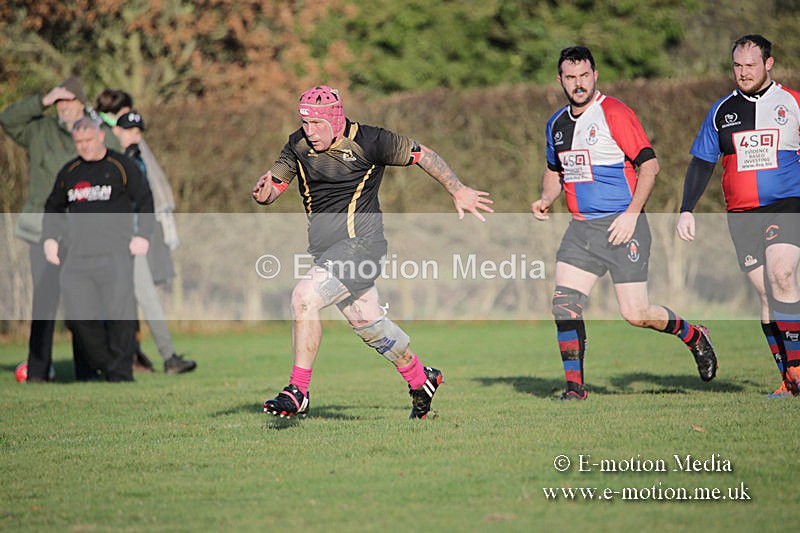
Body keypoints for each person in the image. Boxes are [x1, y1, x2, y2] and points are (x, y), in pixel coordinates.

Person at [252, 85, 493, 419]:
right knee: (368, 324)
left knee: (304, 297)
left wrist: (457, 189)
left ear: (336, 119)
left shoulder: (371, 141)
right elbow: (274, 188)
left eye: (318, 124)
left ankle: (298, 391)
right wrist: (263, 193)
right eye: (305, 124)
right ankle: (422, 379)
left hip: (362, 246)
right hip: (328, 252)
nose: (311, 132)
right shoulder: (297, 145)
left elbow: (423, 154)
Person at [531, 46, 718, 400]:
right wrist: (545, 198)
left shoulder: (614, 113)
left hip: (623, 227)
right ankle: (575, 389)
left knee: (636, 314)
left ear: (595, 75)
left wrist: (631, 215)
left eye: (584, 75)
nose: (578, 83)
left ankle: (694, 334)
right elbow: (555, 170)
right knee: (564, 304)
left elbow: (650, 166)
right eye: (570, 77)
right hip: (581, 230)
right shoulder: (556, 124)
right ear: (560, 80)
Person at [677, 34, 800, 398]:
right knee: (766, 295)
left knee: (782, 274)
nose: (743, 72)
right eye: (737, 65)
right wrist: (686, 209)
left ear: (769, 64)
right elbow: (701, 163)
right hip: (741, 214)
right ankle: (789, 379)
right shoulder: (721, 112)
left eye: (750, 65)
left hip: (787, 204)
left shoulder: (792, 103)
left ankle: (797, 369)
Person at [0, 77, 120, 382]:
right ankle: (38, 370)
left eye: (69, 101)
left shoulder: (94, 132)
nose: (63, 108)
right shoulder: (39, 129)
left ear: (81, 102)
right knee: (44, 300)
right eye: (59, 102)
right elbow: (7, 119)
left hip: (83, 233)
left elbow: (116, 149)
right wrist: (42, 99)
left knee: (83, 304)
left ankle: (86, 370)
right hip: (42, 229)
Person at [42, 117, 154, 381]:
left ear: (101, 136)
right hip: (77, 255)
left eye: (88, 140)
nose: (84, 146)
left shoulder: (121, 166)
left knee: (120, 315)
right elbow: (53, 207)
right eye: (78, 142)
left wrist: (143, 235)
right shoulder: (70, 172)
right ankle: (99, 364)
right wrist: (49, 238)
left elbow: (146, 199)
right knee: (77, 317)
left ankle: (119, 374)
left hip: (116, 253)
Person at [111, 108, 197, 375]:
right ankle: (123, 358)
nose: (134, 137)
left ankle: (167, 356)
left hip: (132, 239)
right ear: (116, 131)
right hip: (113, 239)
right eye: (129, 131)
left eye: (137, 132)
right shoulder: (113, 159)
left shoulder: (135, 159)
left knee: (146, 297)